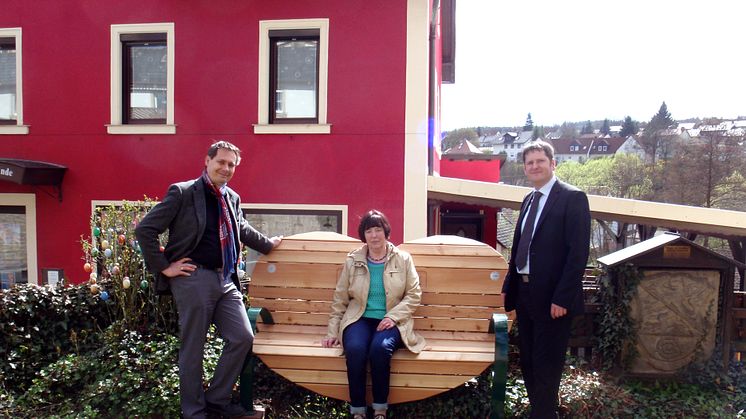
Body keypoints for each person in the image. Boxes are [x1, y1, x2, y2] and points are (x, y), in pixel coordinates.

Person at [135, 140, 282, 419]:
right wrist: (164, 267)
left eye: (231, 165)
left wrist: (271, 244)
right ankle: (194, 412)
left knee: (242, 337)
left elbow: (243, 230)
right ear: (207, 161)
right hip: (193, 278)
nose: (226, 168)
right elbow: (145, 230)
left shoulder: (231, 198)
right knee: (193, 348)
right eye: (221, 162)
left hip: (226, 280)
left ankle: (217, 401)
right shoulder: (183, 192)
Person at [501, 140, 590, 419]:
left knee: (547, 364)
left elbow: (578, 254)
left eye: (540, 161)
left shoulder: (572, 198)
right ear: (525, 168)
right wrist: (509, 288)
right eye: (529, 163)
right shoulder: (528, 200)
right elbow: (518, 249)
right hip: (525, 295)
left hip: (553, 300)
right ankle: (540, 412)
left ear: (553, 164)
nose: (535, 166)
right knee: (527, 361)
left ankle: (543, 414)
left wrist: (562, 297)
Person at [321, 210, 425, 419]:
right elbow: (340, 298)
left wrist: (392, 317)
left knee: (380, 349)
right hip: (358, 318)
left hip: (393, 320)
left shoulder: (403, 259)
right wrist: (332, 331)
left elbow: (414, 294)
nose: (374, 235)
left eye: (378, 230)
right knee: (356, 349)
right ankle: (358, 410)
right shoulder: (352, 260)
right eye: (369, 231)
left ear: (386, 232)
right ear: (364, 235)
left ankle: (380, 408)